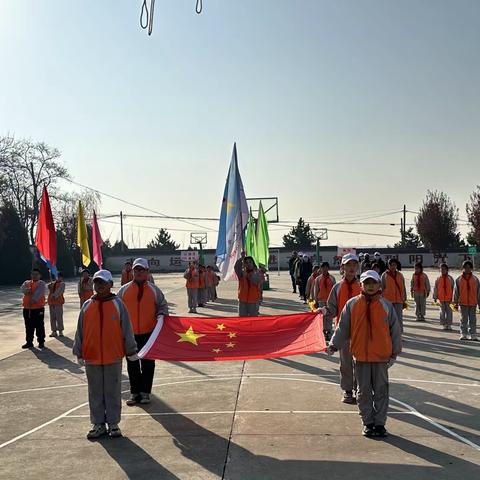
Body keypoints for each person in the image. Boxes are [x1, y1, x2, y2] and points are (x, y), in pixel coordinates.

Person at [327, 270, 402, 438]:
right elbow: (343, 327)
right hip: (360, 357)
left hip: (381, 357)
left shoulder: (386, 306)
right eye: (366, 283)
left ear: (379, 285)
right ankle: (368, 422)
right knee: (363, 391)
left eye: (373, 283)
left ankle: (380, 423)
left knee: (381, 391)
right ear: (361, 285)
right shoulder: (352, 305)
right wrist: (334, 344)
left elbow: (395, 330)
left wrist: (394, 352)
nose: (370, 286)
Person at [73, 269, 137, 439]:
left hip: (113, 356)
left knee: (112, 391)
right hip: (92, 356)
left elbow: (127, 330)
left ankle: (114, 423)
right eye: (96, 282)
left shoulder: (118, 304)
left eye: (102, 282)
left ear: (110, 284)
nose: (99, 285)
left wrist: (131, 350)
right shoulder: (87, 306)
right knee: (95, 391)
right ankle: (98, 423)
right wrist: (78, 350)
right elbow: (80, 330)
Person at [118, 258, 169, 405]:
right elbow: (117, 309)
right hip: (130, 335)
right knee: (132, 364)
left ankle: (145, 392)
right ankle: (134, 393)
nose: (139, 272)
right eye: (136, 270)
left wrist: (161, 315)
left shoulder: (154, 290)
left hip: (149, 334)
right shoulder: (124, 290)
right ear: (133, 271)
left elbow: (163, 306)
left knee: (148, 364)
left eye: (142, 270)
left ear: (147, 272)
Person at [323, 253, 361, 404]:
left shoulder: (363, 286)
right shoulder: (337, 287)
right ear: (342, 268)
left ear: (357, 267)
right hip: (343, 331)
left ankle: (360, 389)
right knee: (345, 362)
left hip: (360, 331)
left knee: (360, 362)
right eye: (348, 265)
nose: (351, 268)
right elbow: (332, 308)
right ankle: (347, 390)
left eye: (354, 265)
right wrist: (325, 311)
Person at [453, 260, 480, 341]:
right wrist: (455, 302)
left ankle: (473, 334)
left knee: (473, 319)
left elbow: (479, 292)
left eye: (469, 267)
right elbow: (456, 292)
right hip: (463, 302)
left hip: (473, 302)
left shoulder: (475, 279)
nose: (467, 269)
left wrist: (479, 302)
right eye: (465, 267)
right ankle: (463, 334)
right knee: (463, 319)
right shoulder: (459, 279)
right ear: (463, 268)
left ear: (471, 268)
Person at [21, 268, 47, 349]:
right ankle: (29, 342)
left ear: (40, 275)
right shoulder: (27, 282)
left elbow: (39, 293)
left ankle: (41, 341)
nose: (34, 276)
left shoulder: (41, 283)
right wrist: (26, 290)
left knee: (39, 325)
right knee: (28, 326)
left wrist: (33, 299)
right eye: (33, 274)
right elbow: (22, 288)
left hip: (38, 308)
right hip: (27, 308)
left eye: (36, 274)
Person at [381, 258, 407, 332]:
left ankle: (399, 334)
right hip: (388, 301)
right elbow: (382, 287)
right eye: (391, 265)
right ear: (388, 265)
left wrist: (404, 298)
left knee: (399, 318)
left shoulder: (400, 275)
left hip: (399, 300)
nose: (393, 267)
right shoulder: (384, 275)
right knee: (388, 318)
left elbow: (403, 287)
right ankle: (389, 334)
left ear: (396, 265)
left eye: (394, 265)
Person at [313, 262, 336, 339]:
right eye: (323, 267)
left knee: (329, 317)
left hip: (330, 301)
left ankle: (328, 332)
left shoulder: (332, 278)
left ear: (328, 268)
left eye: (326, 267)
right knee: (322, 317)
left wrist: (335, 300)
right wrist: (315, 300)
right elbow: (316, 290)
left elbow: (335, 290)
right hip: (321, 300)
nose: (324, 269)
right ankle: (322, 331)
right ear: (321, 268)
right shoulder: (318, 279)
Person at [433, 263, 454, 331]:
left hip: (449, 298)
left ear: (447, 270)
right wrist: (435, 297)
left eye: (444, 269)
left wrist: (454, 298)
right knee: (442, 312)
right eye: (441, 269)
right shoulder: (438, 279)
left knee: (449, 312)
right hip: (441, 298)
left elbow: (453, 288)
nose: (442, 270)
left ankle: (449, 324)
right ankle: (444, 324)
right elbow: (435, 288)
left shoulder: (450, 278)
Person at [47, 271, 65, 337]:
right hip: (51, 302)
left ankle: (60, 331)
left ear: (61, 278)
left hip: (58, 302)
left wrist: (54, 295)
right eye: (56, 277)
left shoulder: (62, 284)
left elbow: (60, 291)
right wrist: (49, 287)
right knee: (52, 317)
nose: (57, 278)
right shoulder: (52, 283)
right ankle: (54, 331)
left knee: (59, 317)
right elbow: (48, 288)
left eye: (59, 277)